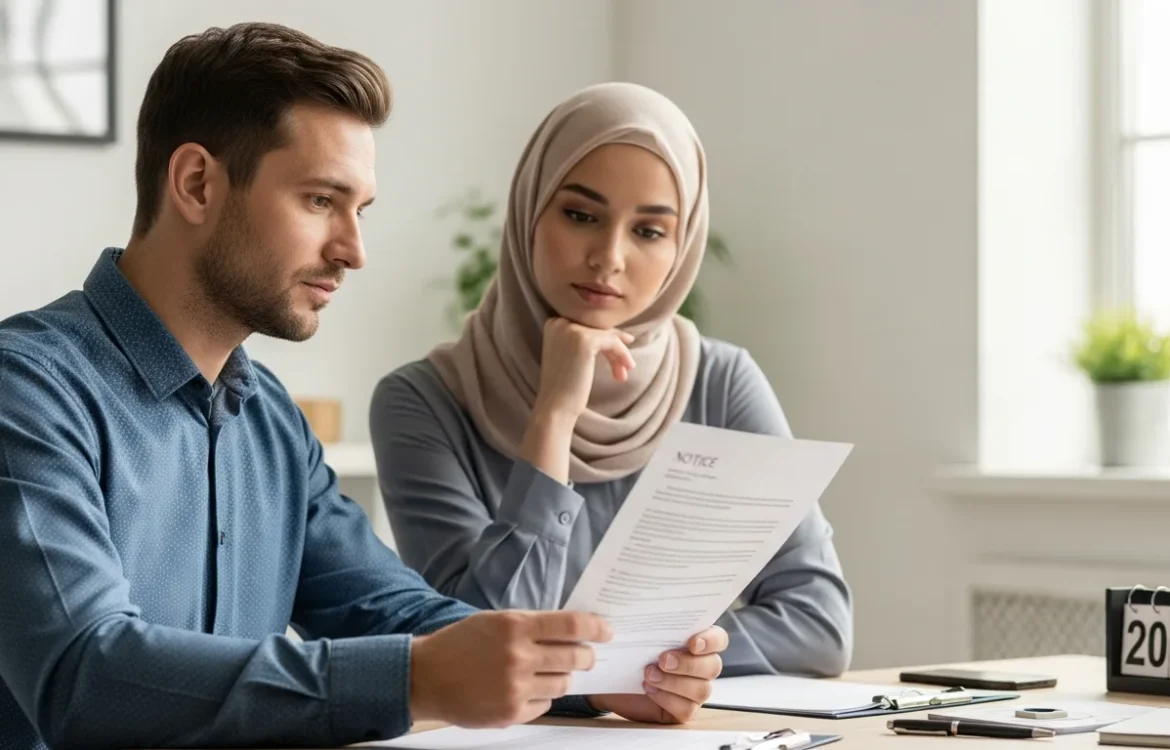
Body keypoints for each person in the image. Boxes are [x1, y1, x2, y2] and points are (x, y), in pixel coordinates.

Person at [0, 25, 728, 750]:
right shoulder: (26, 390)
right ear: (197, 184)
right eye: (321, 201)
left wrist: (585, 675)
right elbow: (86, 677)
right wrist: (412, 680)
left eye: (360, 210)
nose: (353, 250)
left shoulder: (271, 423)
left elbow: (391, 610)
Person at [370, 82, 853, 686]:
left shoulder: (720, 381)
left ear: (682, 247)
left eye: (649, 231)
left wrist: (640, 669)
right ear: (530, 211)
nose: (609, 257)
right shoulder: (423, 401)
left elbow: (819, 626)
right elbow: (485, 642)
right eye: (580, 215)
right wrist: (554, 415)